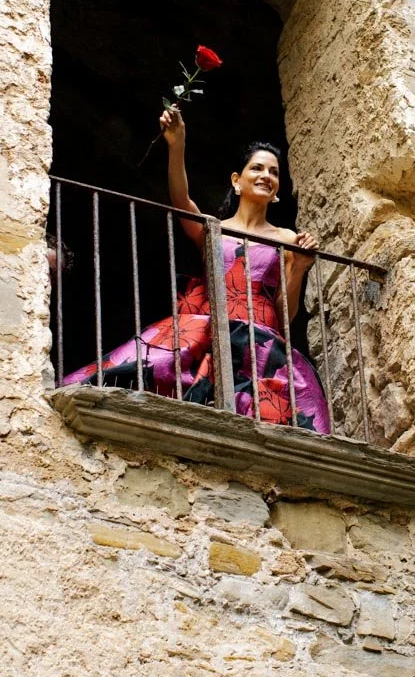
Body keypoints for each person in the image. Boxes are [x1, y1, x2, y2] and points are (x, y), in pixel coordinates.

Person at [63, 107, 331, 434]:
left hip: (261, 338)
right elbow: (181, 199)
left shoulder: (288, 240)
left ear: (276, 191)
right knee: (151, 366)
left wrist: (300, 267)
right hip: (211, 328)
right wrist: (177, 145)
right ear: (237, 180)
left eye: (274, 172)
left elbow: (283, 317)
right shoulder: (212, 229)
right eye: (257, 168)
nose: (266, 176)